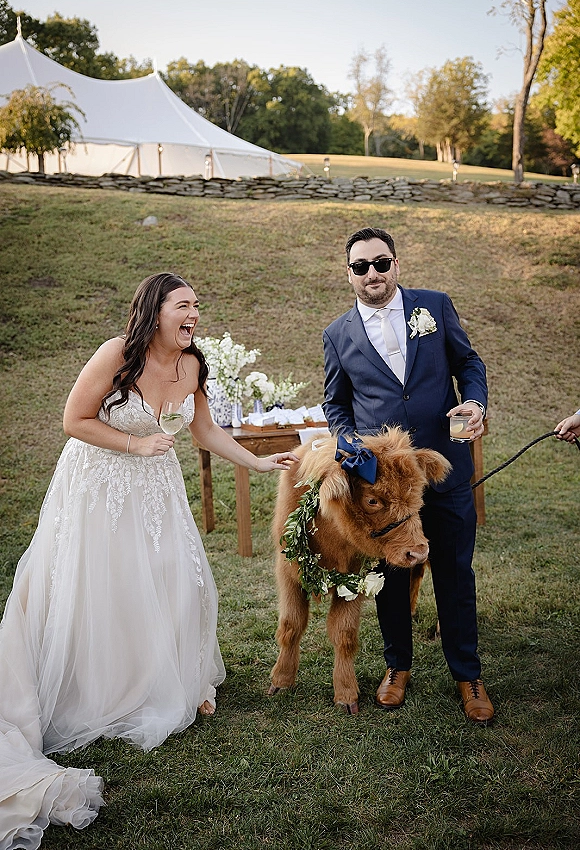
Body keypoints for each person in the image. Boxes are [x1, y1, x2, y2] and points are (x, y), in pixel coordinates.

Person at [0, 273, 298, 848]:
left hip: (158, 492)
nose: (194, 316)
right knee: (103, 587)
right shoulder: (117, 354)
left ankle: (173, 682)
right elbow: (74, 421)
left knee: (176, 581)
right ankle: (102, 688)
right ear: (155, 312)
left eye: (197, 307)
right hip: (99, 486)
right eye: (184, 306)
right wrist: (135, 444)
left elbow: (205, 432)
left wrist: (260, 465)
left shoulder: (195, 365)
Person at [322, 227, 494, 726]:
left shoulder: (434, 307)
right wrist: (345, 439)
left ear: (396, 264)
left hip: (443, 468)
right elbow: (336, 404)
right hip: (384, 485)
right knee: (391, 577)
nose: (372, 274)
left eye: (381, 263)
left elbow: (469, 362)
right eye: (361, 267)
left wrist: (474, 402)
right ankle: (398, 666)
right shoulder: (338, 334)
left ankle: (468, 674)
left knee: (455, 572)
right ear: (348, 273)